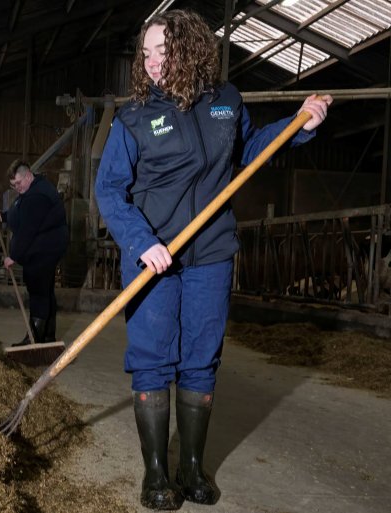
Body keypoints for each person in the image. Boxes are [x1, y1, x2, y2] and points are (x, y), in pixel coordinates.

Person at [95, 9, 331, 511]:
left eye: (164, 51)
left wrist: (298, 123)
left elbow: (248, 152)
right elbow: (109, 191)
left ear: (192, 50)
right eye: (147, 53)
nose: (153, 63)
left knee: (201, 360)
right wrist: (142, 242)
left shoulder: (226, 102)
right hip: (154, 258)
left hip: (211, 254)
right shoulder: (133, 117)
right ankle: (156, 474)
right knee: (154, 361)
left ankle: (192, 467)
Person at [0, 160, 69, 345]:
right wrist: (2, 216)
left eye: (18, 183)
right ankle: (47, 336)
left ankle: (34, 339)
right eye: (13, 185)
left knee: (38, 291)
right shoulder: (31, 190)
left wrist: (13, 256)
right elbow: (19, 212)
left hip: (43, 250)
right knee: (45, 291)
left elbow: (27, 230)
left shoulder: (37, 196)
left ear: (27, 175)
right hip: (44, 249)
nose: (17, 188)